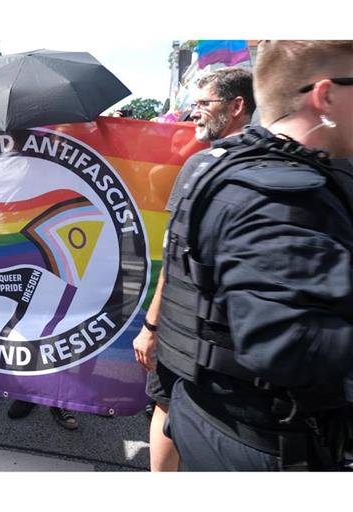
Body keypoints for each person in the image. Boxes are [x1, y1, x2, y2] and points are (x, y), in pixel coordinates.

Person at [159, 40, 353, 471]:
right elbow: (287, 342)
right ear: (325, 95)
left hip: (216, 421)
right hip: (266, 445)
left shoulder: (224, 168)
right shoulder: (283, 196)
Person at [133, 67, 256, 471]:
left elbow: (175, 256)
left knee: (166, 406)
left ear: (238, 106)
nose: (195, 112)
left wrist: (150, 326)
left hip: (188, 330)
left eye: (204, 103)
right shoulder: (289, 161)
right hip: (247, 341)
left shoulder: (202, 166)